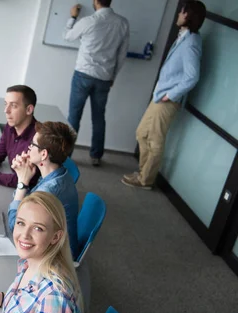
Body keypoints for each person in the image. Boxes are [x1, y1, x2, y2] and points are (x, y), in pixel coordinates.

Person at [122, 1, 206, 190]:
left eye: (181, 12)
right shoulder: (185, 37)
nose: (178, 15)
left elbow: (192, 76)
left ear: (188, 16)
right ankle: (143, 173)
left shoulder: (191, 41)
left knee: (155, 140)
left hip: (167, 100)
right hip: (160, 96)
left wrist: (171, 95)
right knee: (142, 133)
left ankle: (145, 180)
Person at [64, 0, 130, 166]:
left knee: (74, 117)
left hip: (83, 75)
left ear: (95, 1)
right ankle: (96, 156)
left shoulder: (87, 21)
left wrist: (72, 17)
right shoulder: (122, 23)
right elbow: (122, 54)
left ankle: (66, 155)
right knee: (99, 117)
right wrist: (113, 76)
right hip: (105, 78)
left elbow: (68, 36)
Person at [8, 121, 80, 260]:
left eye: (32, 144)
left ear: (44, 154)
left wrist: (22, 183)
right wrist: (24, 175)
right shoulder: (60, 173)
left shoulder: (49, 191)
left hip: (55, 257)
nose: (29, 148)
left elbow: (14, 225)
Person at [0, 85, 40, 188]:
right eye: (6, 104)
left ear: (29, 109)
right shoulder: (11, 126)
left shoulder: (37, 140)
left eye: (14, 105)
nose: (6, 110)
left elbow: (23, 180)